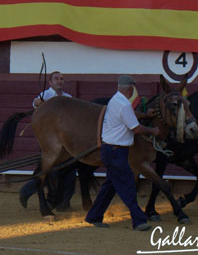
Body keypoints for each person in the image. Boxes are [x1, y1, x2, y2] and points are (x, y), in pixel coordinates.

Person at [85, 75, 160, 230]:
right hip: (116, 151)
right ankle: (139, 220)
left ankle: (94, 216)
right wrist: (153, 130)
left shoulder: (115, 100)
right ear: (131, 89)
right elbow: (136, 128)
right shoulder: (124, 105)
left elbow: (128, 117)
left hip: (110, 150)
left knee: (110, 186)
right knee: (127, 186)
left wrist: (145, 115)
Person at [19, 71, 76, 210]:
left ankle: (64, 202)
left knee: (70, 171)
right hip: (50, 141)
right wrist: (43, 103)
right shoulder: (46, 95)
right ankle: (27, 191)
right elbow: (36, 102)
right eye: (56, 79)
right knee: (51, 171)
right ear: (50, 82)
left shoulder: (68, 97)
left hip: (65, 141)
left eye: (62, 79)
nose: (60, 81)